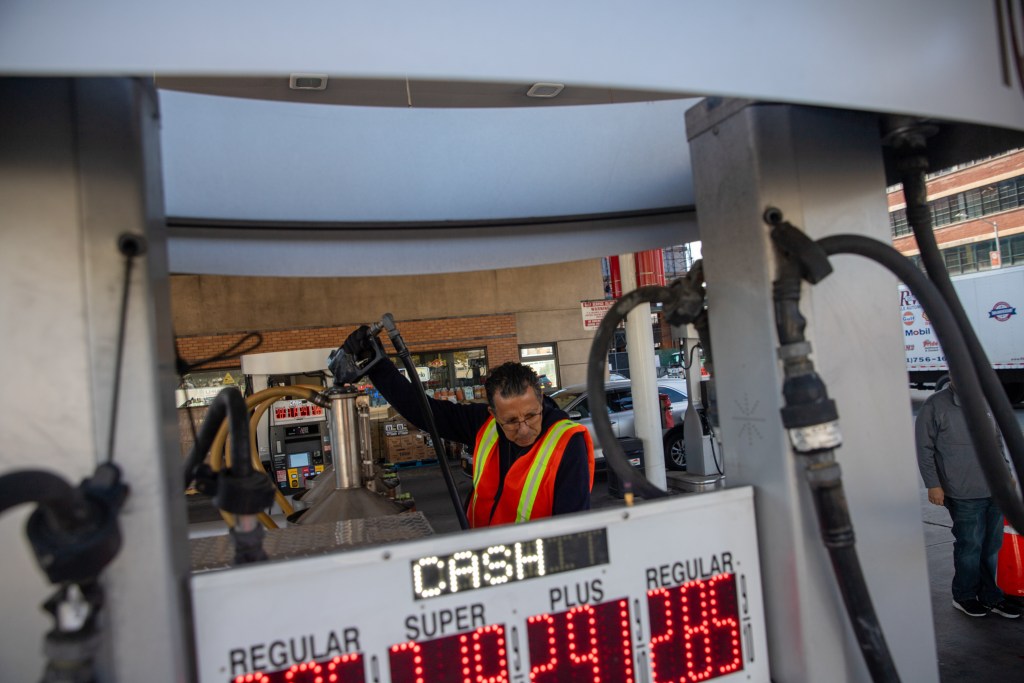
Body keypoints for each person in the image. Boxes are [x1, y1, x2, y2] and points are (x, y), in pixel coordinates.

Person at [343, 326, 595, 528]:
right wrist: (376, 364)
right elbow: (424, 412)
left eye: (531, 415)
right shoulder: (482, 424)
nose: (524, 429)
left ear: (541, 401)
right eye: (510, 421)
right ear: (492, 413)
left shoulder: (567, 443)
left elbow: (574, 528)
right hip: (483, 558)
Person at [915, 379, 1020, 619]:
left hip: (993, 488)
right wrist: (933, 485)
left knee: (991, 546)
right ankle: (964, 595)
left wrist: (1006, 472)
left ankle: (991, 596)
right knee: (970, 545)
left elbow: (997, 442)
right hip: (961, 490)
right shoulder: (935, 405)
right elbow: (924, 448)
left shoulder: (984, 401)